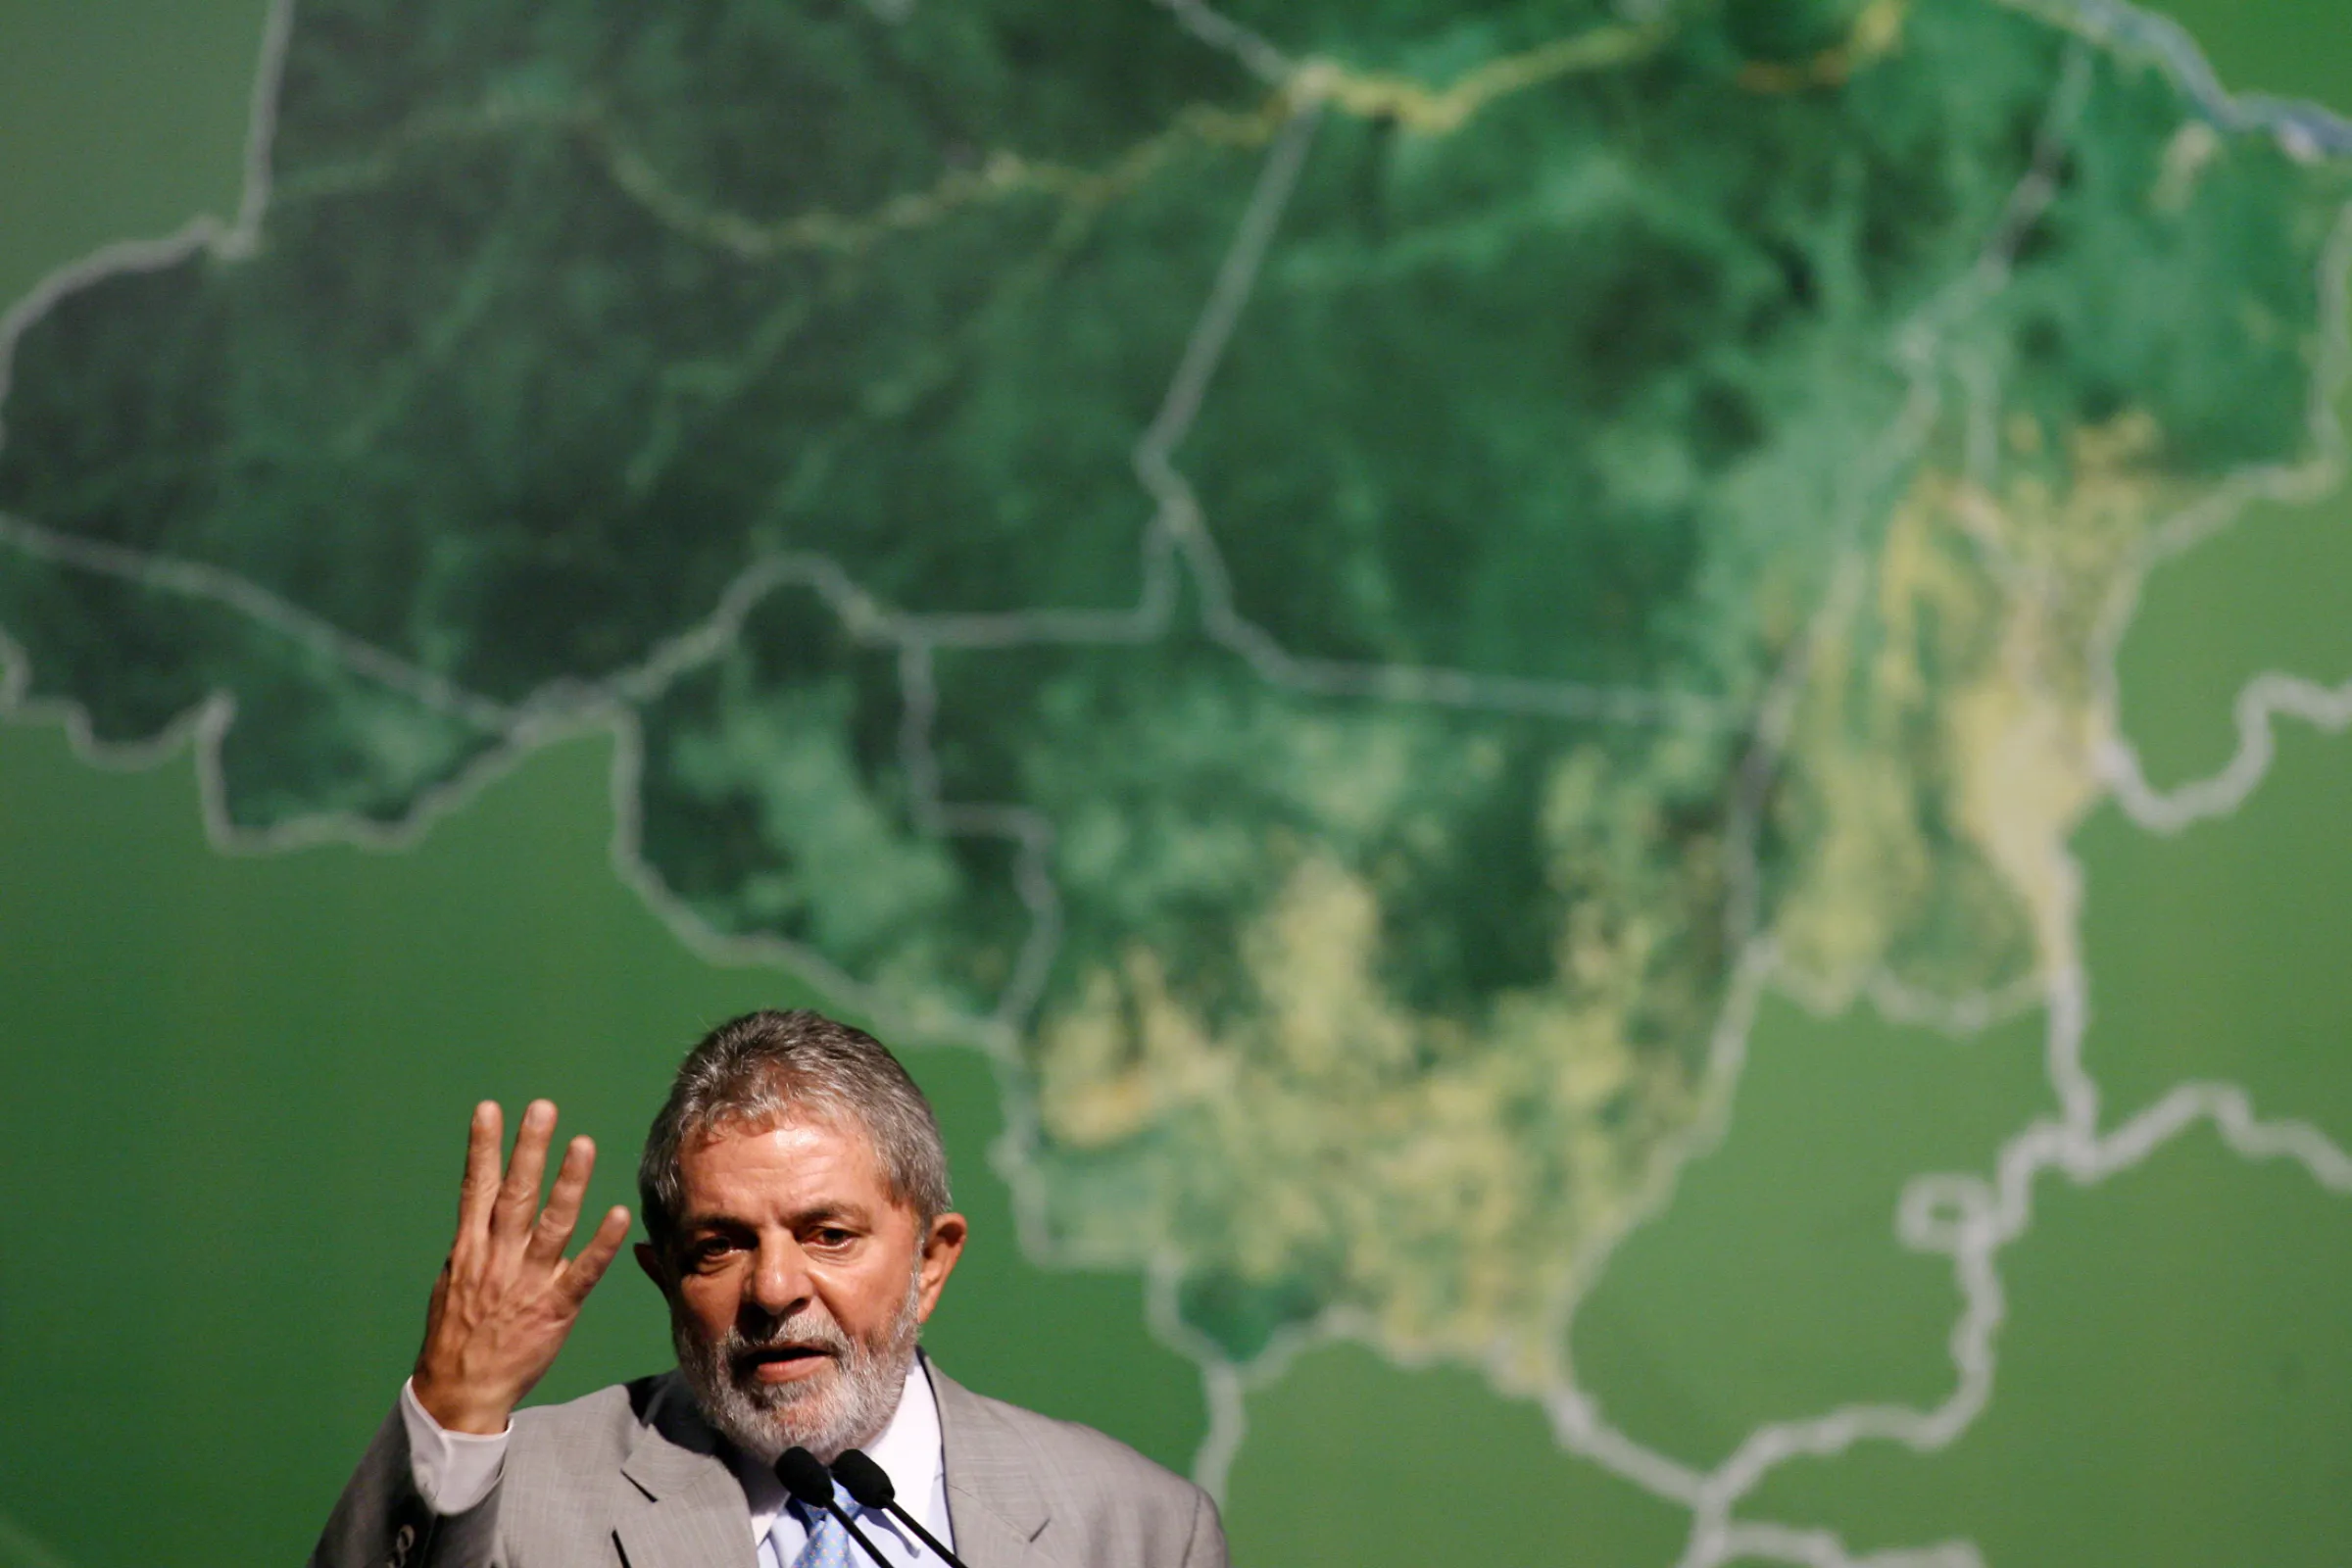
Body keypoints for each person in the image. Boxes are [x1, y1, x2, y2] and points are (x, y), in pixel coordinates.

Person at [311, 1008, 1226, 1568]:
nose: (775, 1289)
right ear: (663, 1278)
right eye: (720, 1247)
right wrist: (454, 1407)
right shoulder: (508, 1498)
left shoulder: (1137, 1529)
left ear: (932, 1261)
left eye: (829, 1235)